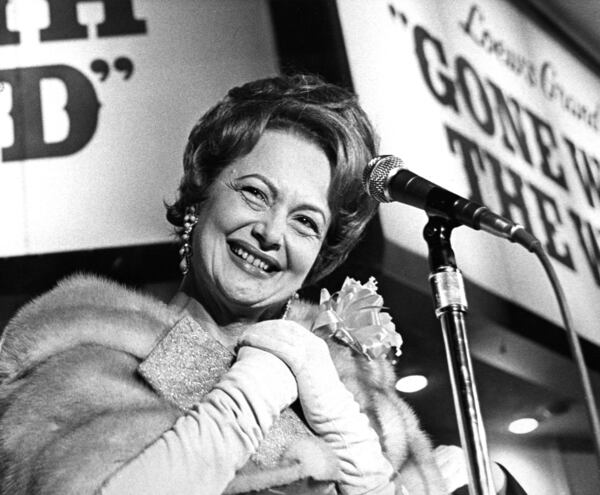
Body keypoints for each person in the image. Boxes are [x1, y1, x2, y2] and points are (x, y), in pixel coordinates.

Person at [0, 74, 513, 494]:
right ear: (199, 197)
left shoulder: (347, 385)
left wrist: (490, 481)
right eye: (254, 193)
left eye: (306, 222)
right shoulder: (87, 351)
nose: (271, 233)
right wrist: (260, 384)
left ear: (319, 256)